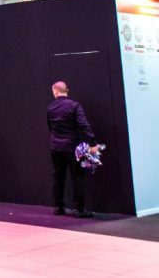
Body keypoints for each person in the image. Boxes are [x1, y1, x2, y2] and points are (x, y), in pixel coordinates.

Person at [47, 81, 98, 218]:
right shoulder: (74, 106)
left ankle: (58, 207)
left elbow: (50, 128)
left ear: (55, 91)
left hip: (55, 147)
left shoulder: (50, 107)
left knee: (58, 177)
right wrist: (92, 142)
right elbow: (83, 124)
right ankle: (79, 210)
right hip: (72, 147)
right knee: (78, 178)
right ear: (67, 90)